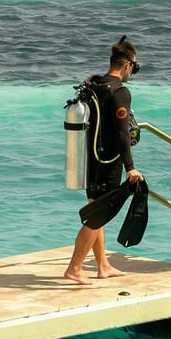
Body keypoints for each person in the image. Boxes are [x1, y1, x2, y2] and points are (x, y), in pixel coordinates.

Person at [63, 38, 145, 285]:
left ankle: (103, 265)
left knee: (97, 210)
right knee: (99, 216)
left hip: (89, 160)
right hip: (108, 161)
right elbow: (122, 133)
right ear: (128, 65)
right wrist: (130, 167)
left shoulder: (94, 84)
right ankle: (74, 268)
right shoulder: (120, 92)